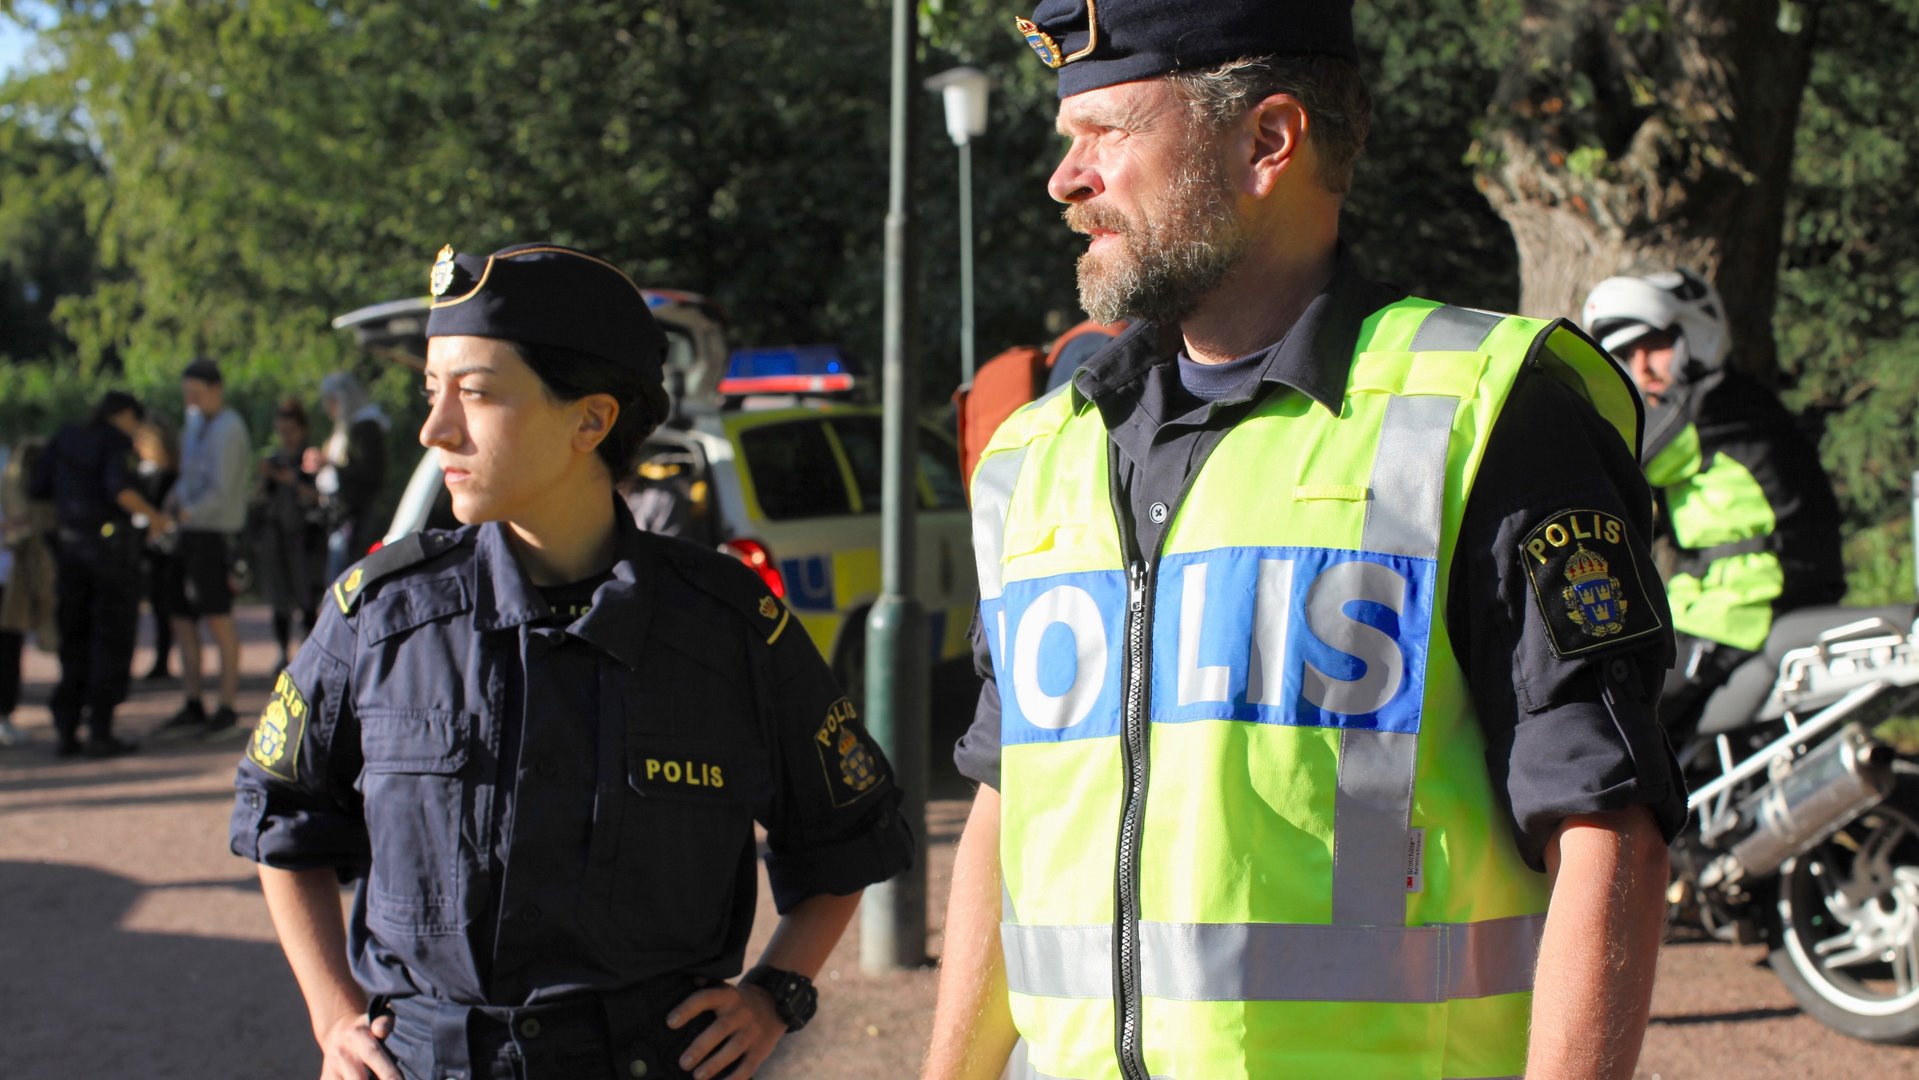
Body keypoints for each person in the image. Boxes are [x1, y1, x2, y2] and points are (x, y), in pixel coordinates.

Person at [925, 5, 1686, 1079]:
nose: (1065, 177)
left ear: (1266, 141)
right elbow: (1009, 807)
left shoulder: (1483, 411)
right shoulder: (1036, 453)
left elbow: (1608, 831)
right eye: (1066, 138)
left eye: (1107, 131)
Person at [230, 242, 914, 1080]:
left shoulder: (727, 628)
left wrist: (778, 996)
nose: (433, 428)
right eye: (432, 391)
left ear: (589, 420)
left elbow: (847, 837)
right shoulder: (384, 617)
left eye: (475, 393)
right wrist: (333, 1015)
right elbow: (279, 814)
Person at [1583, 269, 1846, 729]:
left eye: (1653, 345)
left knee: (1606, 720)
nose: (1641, 368)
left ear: (1694, 334)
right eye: (1626, 355)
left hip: (1742, 603)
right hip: (1752, 597)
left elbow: (1610, 466)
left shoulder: (1703, 409)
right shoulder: (1734, 406)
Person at [29, 392, 170, 757]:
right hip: (109, 553)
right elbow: (119, 489)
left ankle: (66, 728)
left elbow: (37, 487)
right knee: (110, 639)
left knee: (73, 638)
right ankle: (100, 730)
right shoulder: (115, 442)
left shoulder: (63, 438)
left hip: (69, 549)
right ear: (124, 415)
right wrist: (156, 519)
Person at [156, 358, 253, 738]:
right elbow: (187, 475)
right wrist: (169, 506)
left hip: (213, 534)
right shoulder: (196, 422)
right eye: (187, 395)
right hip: (187, 534)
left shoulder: (230, 429)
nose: (191, 401)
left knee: (218, 618)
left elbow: (220, 491)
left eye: (197, 393)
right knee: (181, 618)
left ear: (217, 390)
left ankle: (227, 705)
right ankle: (193, 700)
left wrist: (183, 512)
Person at [252, 398, 323, 668]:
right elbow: (258, 500)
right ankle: (282, 652)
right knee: (278, 597)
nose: (286, 437)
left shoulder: (309, 460)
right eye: (281, 431)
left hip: (303, 537)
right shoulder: (274, 460)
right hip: (275, 536)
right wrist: (265, 478)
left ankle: (311, 652)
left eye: (290, 430)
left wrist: (291, 481)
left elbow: (320, 497)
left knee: (305, 595)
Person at [317, 369, 390, 582]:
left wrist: (331, 464)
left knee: (344, 581)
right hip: (346, 517)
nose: (327, 407)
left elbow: (367, 474)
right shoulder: (353, 427)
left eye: (331, 401)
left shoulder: (365, 428)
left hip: (357, 517)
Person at [133, 417, 182, 681]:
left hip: (163, 548)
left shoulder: (165, 475)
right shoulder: (150, 472)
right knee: (159, 606)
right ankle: (161, 659)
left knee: (165, 606)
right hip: (153, 547)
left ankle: (163, 659)